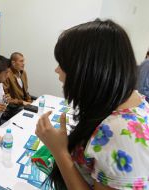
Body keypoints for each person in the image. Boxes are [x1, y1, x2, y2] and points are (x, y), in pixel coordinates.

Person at [35, 19, 149, 189]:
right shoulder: (130, 98)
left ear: (86, 70)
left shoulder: (120, 134)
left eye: (63, 63)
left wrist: (59, 151)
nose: (56, 70)